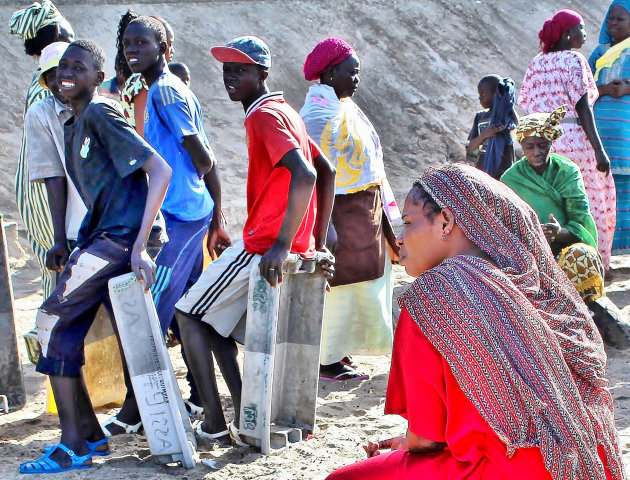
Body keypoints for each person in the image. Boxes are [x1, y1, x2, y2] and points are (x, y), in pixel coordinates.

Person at [327, 163, 625, 480]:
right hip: (585, 463)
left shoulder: (434, 294)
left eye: (409, 223)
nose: (400, 239)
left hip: (507, 469)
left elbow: (426, 441)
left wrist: (406, 446)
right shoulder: (527, 290)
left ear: (446, 222)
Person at [174, 35, 336, 446]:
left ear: (263, 74)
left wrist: (283, 245)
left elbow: (308, 174)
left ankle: (212, 421)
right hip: (280, 240)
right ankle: (243, 408)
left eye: (241, 70)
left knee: (188, 314)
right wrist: (313, 241)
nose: (231, 77)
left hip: (263, 243)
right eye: (227, 70)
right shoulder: (285, 111)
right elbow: (327, 169)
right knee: (214, 321)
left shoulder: (264, 115)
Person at [18, 39, 171, 474]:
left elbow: (159, 170)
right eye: (62, 67)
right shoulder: (73, 123)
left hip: (121, 240)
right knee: (60, 332)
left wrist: (141, 245)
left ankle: (74, 446)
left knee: (50, 324)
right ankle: (89, 437)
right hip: (102, 238)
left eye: (78, 67)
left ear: (97, 77)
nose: (66, 73)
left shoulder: (102, 113)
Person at [100, 16, 229, 435]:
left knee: (148, 312)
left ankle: (137, 410)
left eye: (142, 42)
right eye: (127, 43)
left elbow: (202, 154)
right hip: (189, 211)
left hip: (180, 218)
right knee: (187, 311)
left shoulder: (166, 92)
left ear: (163, 46)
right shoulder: (164, 88)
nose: (132, 49)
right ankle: (199, 399)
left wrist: (190, 179)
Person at [300, 37, 399, 382]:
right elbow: (312, 170)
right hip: (339, 214)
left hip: (364, 212)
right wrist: (323, 224)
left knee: (363, 282)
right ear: (330, 72)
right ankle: (325, 361)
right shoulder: (316, 115)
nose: (356, 79)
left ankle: (338, 353)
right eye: (350, 72)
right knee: (337, 285)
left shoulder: (347, 107)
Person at [519, 8, 616, 273]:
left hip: (544, 142)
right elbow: (583, 107)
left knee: (552, 201)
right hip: (574, 139)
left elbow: (527, 105)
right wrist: (599, 150)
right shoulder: (575, 59)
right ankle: (593, 263)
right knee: (589, 201)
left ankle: (554, 266)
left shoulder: (536, 62)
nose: (585, 34)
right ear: (567, 33)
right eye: (581, 28)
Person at [9, 0, 75, 298]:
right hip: (49, 192)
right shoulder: (51, 89)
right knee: (63, 273)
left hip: (39, 188)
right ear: (58, 31)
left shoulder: (45, 83)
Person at [25, 41, 86, 271]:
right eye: (52, 76)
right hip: (77, 230)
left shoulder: (104, 107)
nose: (61, 80)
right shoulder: (42, 114)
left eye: (69, 70)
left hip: (115, 227)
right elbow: (54, 176)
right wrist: (59, 239)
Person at [589, 0, 630, 255]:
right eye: (611, 19)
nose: (612, 23)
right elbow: (583, 89)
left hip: (626, 135)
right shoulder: (598, 53)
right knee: (604, 192)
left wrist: (626, 88)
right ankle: (607, 253)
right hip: (601, 136)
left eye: (620, 19)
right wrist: (604, 90)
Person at [120, 15, 175, 136]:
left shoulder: (171, 83)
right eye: (170, 44)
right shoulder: (138, 85)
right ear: (161, 46)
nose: (172, 51)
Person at [467, 74, 517, 179]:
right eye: (479, 94)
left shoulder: (505, 113)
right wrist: (485, 135)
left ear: (496, 94)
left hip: (503, 167)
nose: (480, 98)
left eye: (484, 94)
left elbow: (519, 126)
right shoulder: (480, 116)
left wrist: (507, 103)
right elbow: (471, 147)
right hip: (483, 165)